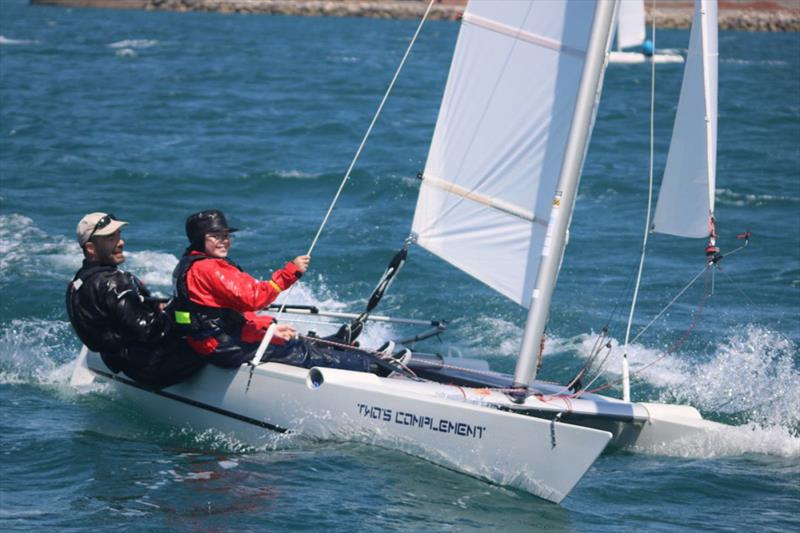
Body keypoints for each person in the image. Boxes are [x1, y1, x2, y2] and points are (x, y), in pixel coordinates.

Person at [171, 209, 375, 373]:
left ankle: (337, 345)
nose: (224, 240)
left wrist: (264, 325)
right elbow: (253, 298)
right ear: (199, 239)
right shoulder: (209, 268)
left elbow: (223, 311)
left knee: (289, 338)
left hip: (211, 341)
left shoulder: (189, 263)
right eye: (215, 236)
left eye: (226, 235)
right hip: (222, 346)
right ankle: (373, 366)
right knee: (296, 351)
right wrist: (289, 273)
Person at [66, 212, 206, 388]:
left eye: (119, 235)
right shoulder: (112, 282)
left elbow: (113, 317)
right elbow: (150, 331)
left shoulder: (79, 280)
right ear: (91, 249)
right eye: (110, 238)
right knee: (213, 331)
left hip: (118, 361)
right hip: (153, 369)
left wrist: (153, 308)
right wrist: (174, 313)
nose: (120, 242)